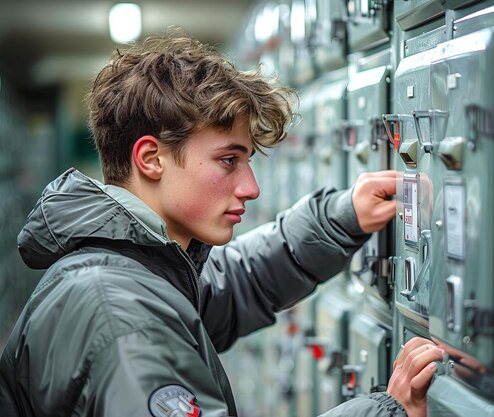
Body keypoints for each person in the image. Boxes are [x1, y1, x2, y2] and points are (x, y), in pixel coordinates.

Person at [0, 31, 443, 417]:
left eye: (246, 161)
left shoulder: (125, 267)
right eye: (228, 160)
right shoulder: (122, 317)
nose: (251, 188)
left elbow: (236, 283)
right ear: (151, 159)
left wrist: (339, 219)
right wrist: (386, 410)